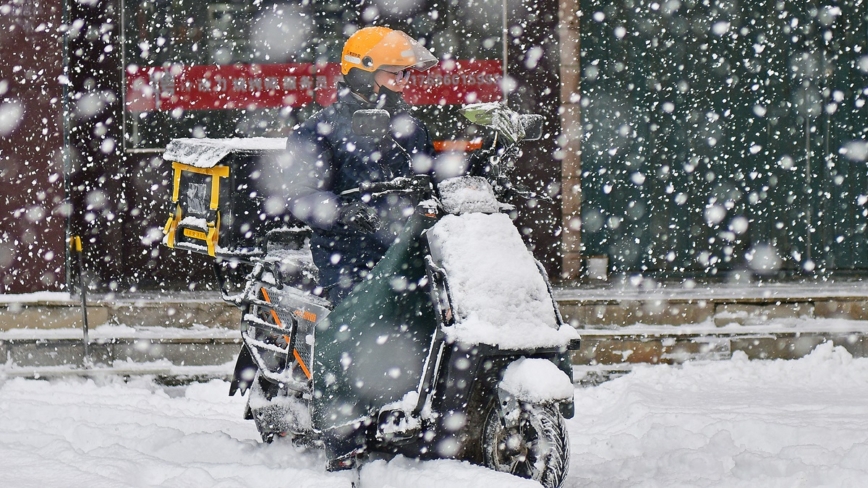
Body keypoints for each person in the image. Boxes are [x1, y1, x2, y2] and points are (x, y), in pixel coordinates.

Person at [283, 26, 438, 303]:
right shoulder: (318, 130)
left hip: (409, 256)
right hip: (349, 260)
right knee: (360, 337)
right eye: (396, 73)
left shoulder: (413, 129)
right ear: (363, 73)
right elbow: (299, 193)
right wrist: (342, 211)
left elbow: (434, 181)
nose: (404, 81)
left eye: (407, 73)